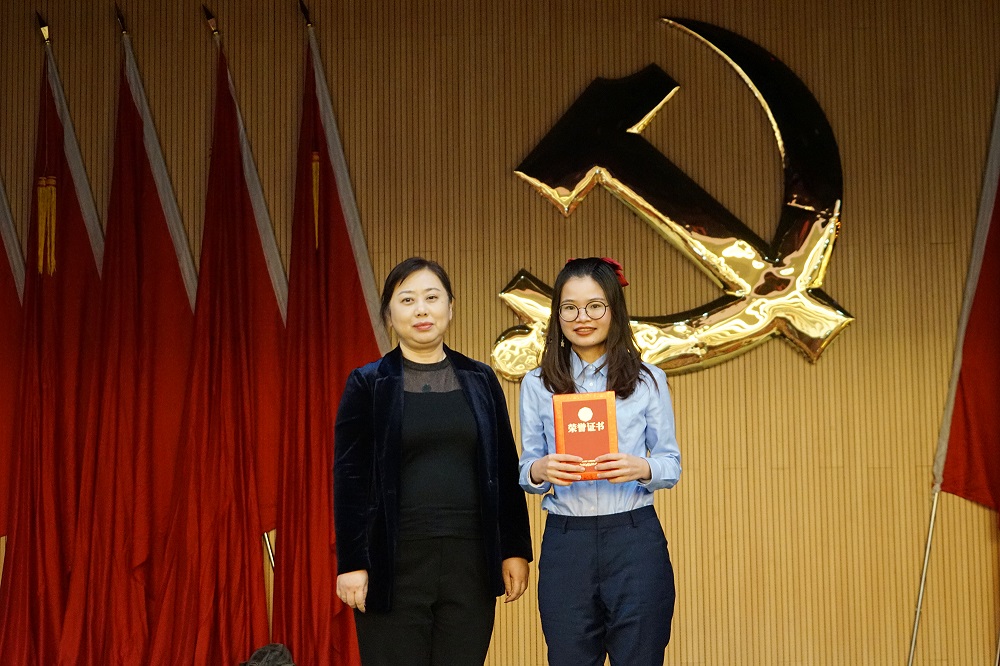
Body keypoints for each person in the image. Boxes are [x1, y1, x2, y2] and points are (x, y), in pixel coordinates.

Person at [333, 257, 533, 666]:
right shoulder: (368, 383)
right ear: (389, 314)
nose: (421, 310)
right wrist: (352, 563)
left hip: (470, 563)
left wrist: (514, 550)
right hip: (392, 564)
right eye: (407, 300)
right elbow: (349, 480)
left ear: (450, 307)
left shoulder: (480, 379)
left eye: (431, 297)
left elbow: (502, 468)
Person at [519, 257, 682, 666]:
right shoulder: (537, 383)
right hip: (566, 541)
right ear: (557, 315)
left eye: (595, 306)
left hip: (633, 537)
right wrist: (540, 471)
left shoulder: (648, 379)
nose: (582, 318)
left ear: (614, 309)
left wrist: (642, 468)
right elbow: (526, 465)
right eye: (570, 308)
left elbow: (670, 462)